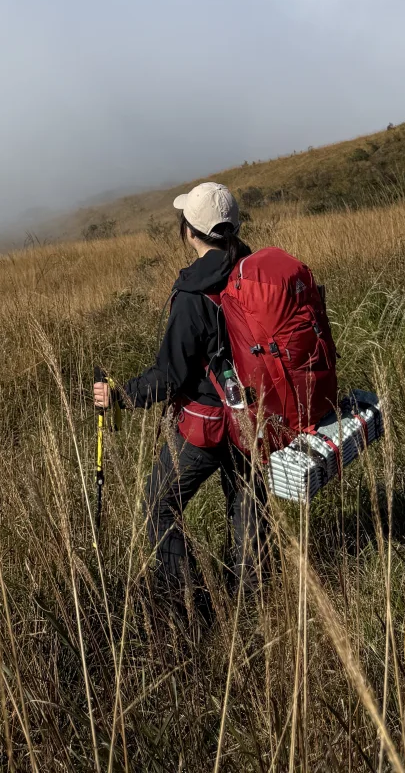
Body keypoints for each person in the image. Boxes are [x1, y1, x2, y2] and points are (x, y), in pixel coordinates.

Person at [93, 181, 268, 596]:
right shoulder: (253, 273)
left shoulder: (193, 296)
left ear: (189, 231)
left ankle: (188, 597)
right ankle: (253, 594)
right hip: (257, 417)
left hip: (208, 424)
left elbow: (169, 376)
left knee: (158, 506)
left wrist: (120, 396)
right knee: (247, 501)